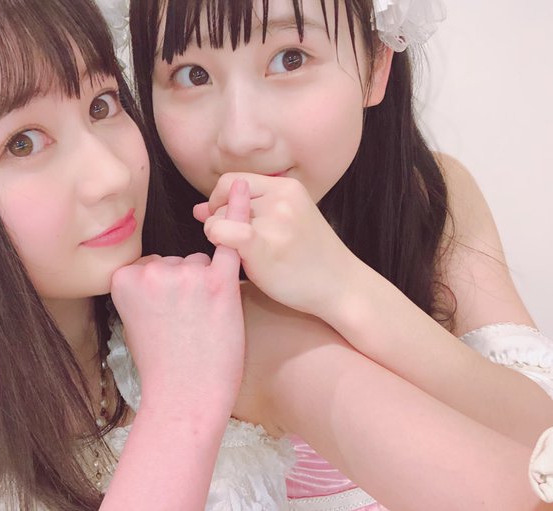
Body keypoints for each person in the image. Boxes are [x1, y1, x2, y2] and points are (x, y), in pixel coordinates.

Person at [120, 0, 553, 509]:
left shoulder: (430, 198)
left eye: (290, 59)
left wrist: (343, 285)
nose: (241, 136)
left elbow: (539, 440)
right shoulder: (140, 272)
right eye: (193, 74)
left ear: (376, 65)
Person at [0, 0, 252, 509]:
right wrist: (181, 407)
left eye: (101, 105)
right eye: (23, 143)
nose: (112, 175)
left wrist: (333, 283)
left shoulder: (216, 321)